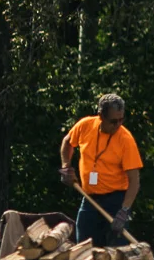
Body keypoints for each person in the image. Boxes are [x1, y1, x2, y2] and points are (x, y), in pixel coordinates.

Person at [59, 93, 144, 246]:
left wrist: (124, 211)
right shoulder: (85, 126)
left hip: (116, 202)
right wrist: (66, 167)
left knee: (117, 251)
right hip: (89, 198)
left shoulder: (125, 139)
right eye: (113, 121)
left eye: (121, 120)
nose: (118, 125)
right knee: (84, 247)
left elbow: (134, 181)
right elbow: (67, 142)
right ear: (101, 116)